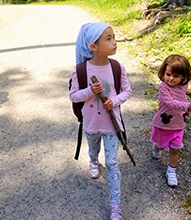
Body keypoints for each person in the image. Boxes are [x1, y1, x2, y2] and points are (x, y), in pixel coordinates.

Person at [69, 22, 132, 220]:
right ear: (93, 47)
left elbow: (127, 92)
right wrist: (89, 91)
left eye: (114, 37)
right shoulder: (80, 70)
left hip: (112, 126)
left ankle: (115, 206)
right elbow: (73, 96)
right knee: (93, 146)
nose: (114, 42)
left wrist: (114, 101)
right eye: (109, 39)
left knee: (113, 163)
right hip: (92, 124)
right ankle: (94, 160)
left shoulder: (117, 67)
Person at [150, 54, 191, 187]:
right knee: (161, 144)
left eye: (176, 76)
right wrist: (187, 106)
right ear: (163, 72)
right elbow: (170, 103)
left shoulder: (183, 85)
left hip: (178, 125)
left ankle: (171, 171)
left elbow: (182, 98)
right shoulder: (163, 88)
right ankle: (156, 147)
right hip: (164, 123)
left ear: (183, 77)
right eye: (168, 74)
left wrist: (186, 111)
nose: (171, 79)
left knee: (175, 149)